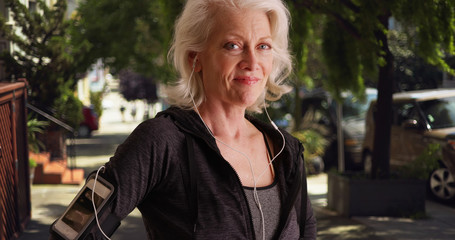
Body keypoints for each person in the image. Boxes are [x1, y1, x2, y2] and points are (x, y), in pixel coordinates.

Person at [51, 0, 316, 239]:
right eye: (233, 45)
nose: (252, 61)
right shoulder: (161, 142)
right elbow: (72, 232)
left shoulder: (286, 151)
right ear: (195, 58)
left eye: (263, 46)